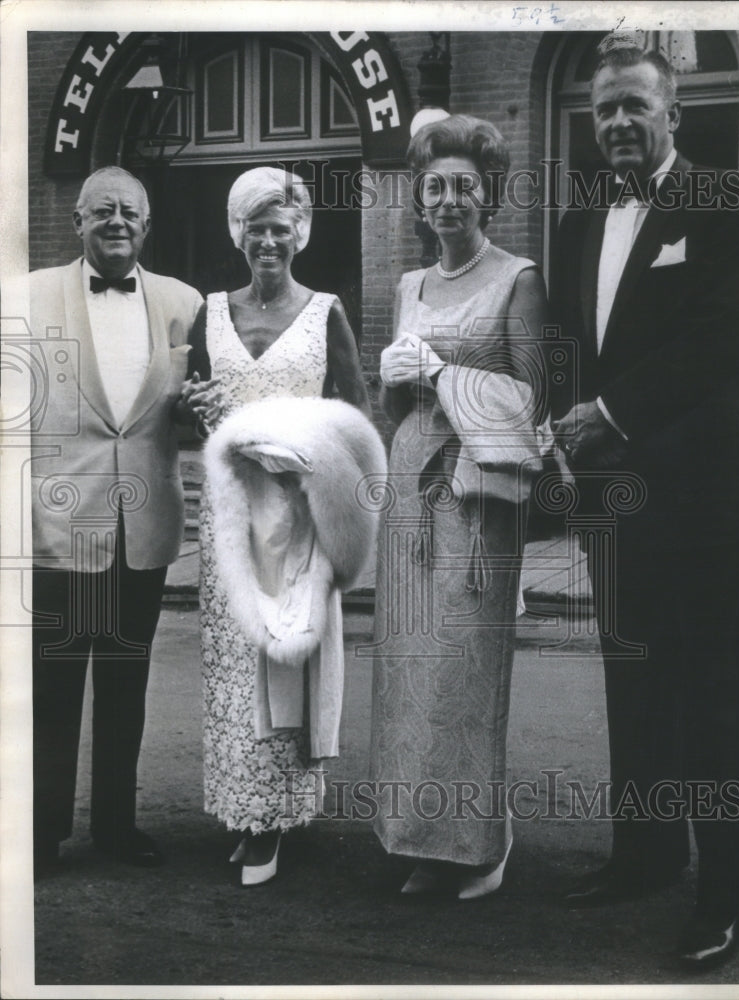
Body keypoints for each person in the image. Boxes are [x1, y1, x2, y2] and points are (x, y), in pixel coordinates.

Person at [550, 42, 739, 969]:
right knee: (633, 678)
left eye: (637, 106)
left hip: (711, 494)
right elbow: (567, 340)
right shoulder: (576, 219)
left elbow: (724, 335)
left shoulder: (737, 202)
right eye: (605, 111)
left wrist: (608, 412)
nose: (619, 124)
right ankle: (643, 853)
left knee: (713, 693)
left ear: (674, 115)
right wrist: (558, 426)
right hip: (614, 495)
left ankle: (728, 888)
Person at [369, 115, 549, 899]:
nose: (448, 200)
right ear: (419, 199)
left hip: (478, 496)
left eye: (463, 188)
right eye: (435, 187)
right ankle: (416, 838)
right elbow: (390, 404)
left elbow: (535, 396)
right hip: (412, 485)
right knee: (409, 671)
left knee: (464, 669)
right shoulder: (408, 284)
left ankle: (481, 844)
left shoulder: (519, 277)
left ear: (488, 197)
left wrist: (443, 370)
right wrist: (391, 376)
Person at [177, 166, 371, 887]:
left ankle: (275, 823)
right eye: (254, 226)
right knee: (233, 669)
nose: (268, 240)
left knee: (283, 662)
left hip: (297, 521)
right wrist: (191, 404)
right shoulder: (211, 312)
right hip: (228, 519)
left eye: (280, 227)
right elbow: (188, 409)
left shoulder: (326, 313)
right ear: (238, 233)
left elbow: (355, 417)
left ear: (301, 234)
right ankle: (244, 809)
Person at [29, 166, 203, 876]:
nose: (117, 222)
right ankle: (40, 834)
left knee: (126, 685)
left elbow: (193, 407)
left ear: (147, 223)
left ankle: (116, 828)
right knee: (54, 687)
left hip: (144, 525)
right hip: (60, 525)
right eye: (102, 211)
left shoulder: (184, 304)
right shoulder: (27, 296)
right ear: (77, 221)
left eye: (130, 211)